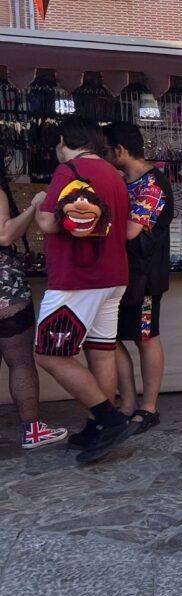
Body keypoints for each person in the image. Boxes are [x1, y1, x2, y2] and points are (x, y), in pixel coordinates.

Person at [33, 116, 133, 464]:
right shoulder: (114, 175)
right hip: (113, 274)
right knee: (101, 351)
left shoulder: (69, 170)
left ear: (63, 141)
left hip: (78, 278)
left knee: (49, 354)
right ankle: (97, 427)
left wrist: (38, 204)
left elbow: (49, 222)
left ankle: (109, 419)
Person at [103, 123, 174, 434]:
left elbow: (131, 231)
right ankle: (129, 403)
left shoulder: (153, 184)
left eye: (105, 151)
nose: (102, 157)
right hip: (123, 274)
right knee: (111, 338)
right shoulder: (124, 181)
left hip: (145, 277)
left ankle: (149, 407)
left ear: (120, 150)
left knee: (146, 337)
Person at [0, 165, 65, 449]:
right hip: (5, 291)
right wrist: (34, 206)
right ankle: (32, 430)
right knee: (20, 361)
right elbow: (4, 235)